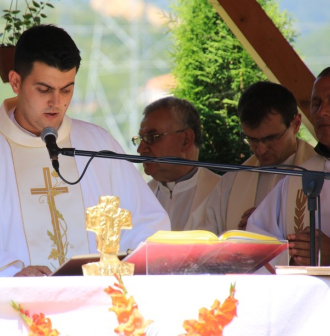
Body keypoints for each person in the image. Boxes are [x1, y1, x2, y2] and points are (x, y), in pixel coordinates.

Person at [0, 24, 170, 278]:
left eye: (67, 89)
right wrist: (9, 273)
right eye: (44, 90)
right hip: (13, 306)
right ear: (16, 82)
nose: (56, 102)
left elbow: (146, 223)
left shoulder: (97, 145)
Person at [187, 81, 316, 235]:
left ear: (296, 124)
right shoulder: (232, 183)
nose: (260, 150)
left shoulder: (322, 174)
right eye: (252, 139)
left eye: (271, 138)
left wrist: (271, 225)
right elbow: (204, 238)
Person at [247, 68, 330, 266]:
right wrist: (293, 257)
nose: (321, 112)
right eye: (316, 103)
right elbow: (256, 239)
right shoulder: (300, 177)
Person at [133, 97, 220, 230]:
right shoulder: (138, 198)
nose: (140, 149)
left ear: (186, 140)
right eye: (141, 139)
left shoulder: (221, 193)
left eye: (151, 138)